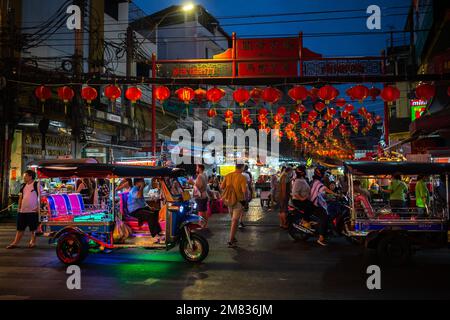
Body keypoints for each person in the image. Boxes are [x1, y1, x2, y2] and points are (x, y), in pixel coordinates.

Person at [7, 170, 42, 249]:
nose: (24, 177)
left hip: (33, 211)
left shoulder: (37, 185)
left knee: (33, 228)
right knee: (20, 228)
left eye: (25, 176)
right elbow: (20, 197)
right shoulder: (23, 186)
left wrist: (38, 207)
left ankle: (32, 242)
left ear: (30, 176)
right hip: (22, 211)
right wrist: (19, 208)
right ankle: (15, 243)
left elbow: (42, 197)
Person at [127, 178, 163, 242]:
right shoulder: (134, 189)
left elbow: (143, 201)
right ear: (138, 183)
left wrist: (149, 207)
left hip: (141, 209)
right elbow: (138, 196)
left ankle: (158, 232)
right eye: (142, 181)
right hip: (135, 211)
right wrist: (142, 187)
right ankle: (154, 235)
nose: (144, 182)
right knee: (150, 215)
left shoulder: (139, 189)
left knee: (156, 212)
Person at [221, 163, 247, 248]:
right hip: (238, 201)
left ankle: (233, 237)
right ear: (242, 168)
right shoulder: (242, 177)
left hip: (229, 200)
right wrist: (245, 201)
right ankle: (231, 240)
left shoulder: (227, 175)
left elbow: (222, 187)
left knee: (233, 220)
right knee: (235, 220)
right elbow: (244, 190)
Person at [310, 167, 337, 246]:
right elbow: (323, 188)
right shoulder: (317, 182)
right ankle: (321, 238)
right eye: (324, 173)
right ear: (320, 174)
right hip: (314, 204)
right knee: (324, 217)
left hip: (316, 203)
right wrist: (335, 194)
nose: (325, 175)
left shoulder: (316, 181)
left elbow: (323, 192)